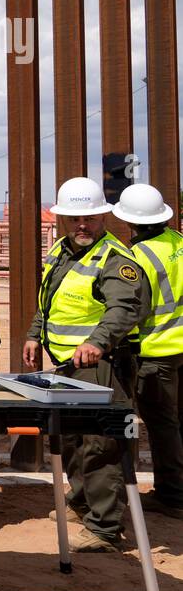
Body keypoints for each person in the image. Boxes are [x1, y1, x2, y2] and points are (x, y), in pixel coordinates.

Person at [23, 176, 146, 552]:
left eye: (90, 218)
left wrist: (97, 341)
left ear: (103, 217)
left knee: (100, 444)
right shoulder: (60, 251)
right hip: (65, 364)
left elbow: (125, 308)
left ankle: (106, 529)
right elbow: (50, 299)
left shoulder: (115, 260)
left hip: (102, 364)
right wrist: (34, 333)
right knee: (73, 440)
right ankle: (80, 503)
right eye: (75, 218)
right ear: (61, 219)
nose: (82, 225)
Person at [112, 182, 183, 520]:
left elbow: (133, 309)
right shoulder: (179, 242)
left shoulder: (138, 256)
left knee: (162, 424)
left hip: (158, 353)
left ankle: (172, 495)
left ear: (130, 222)